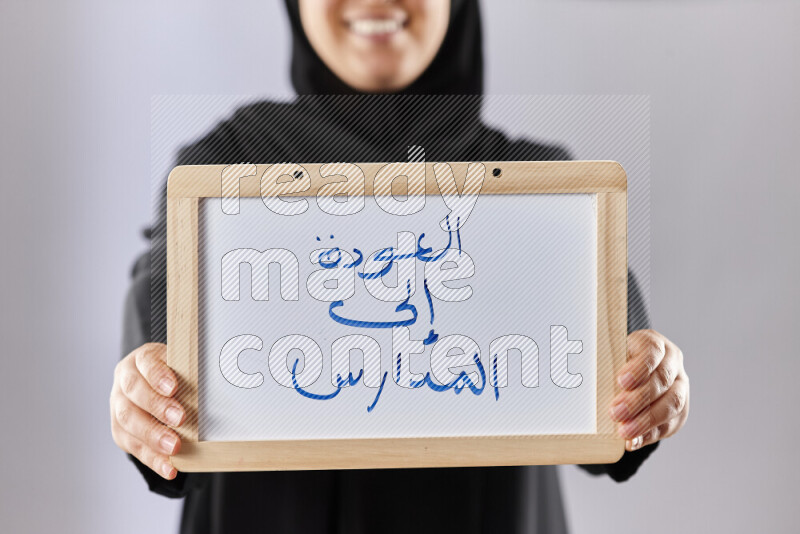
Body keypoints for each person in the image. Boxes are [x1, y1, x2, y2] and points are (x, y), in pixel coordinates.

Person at [110, 1, 690, 533]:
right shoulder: (225, 166)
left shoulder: (544, 191)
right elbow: (164, 322)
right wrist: (148, 396)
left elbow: (613, 404)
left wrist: (644, 384)